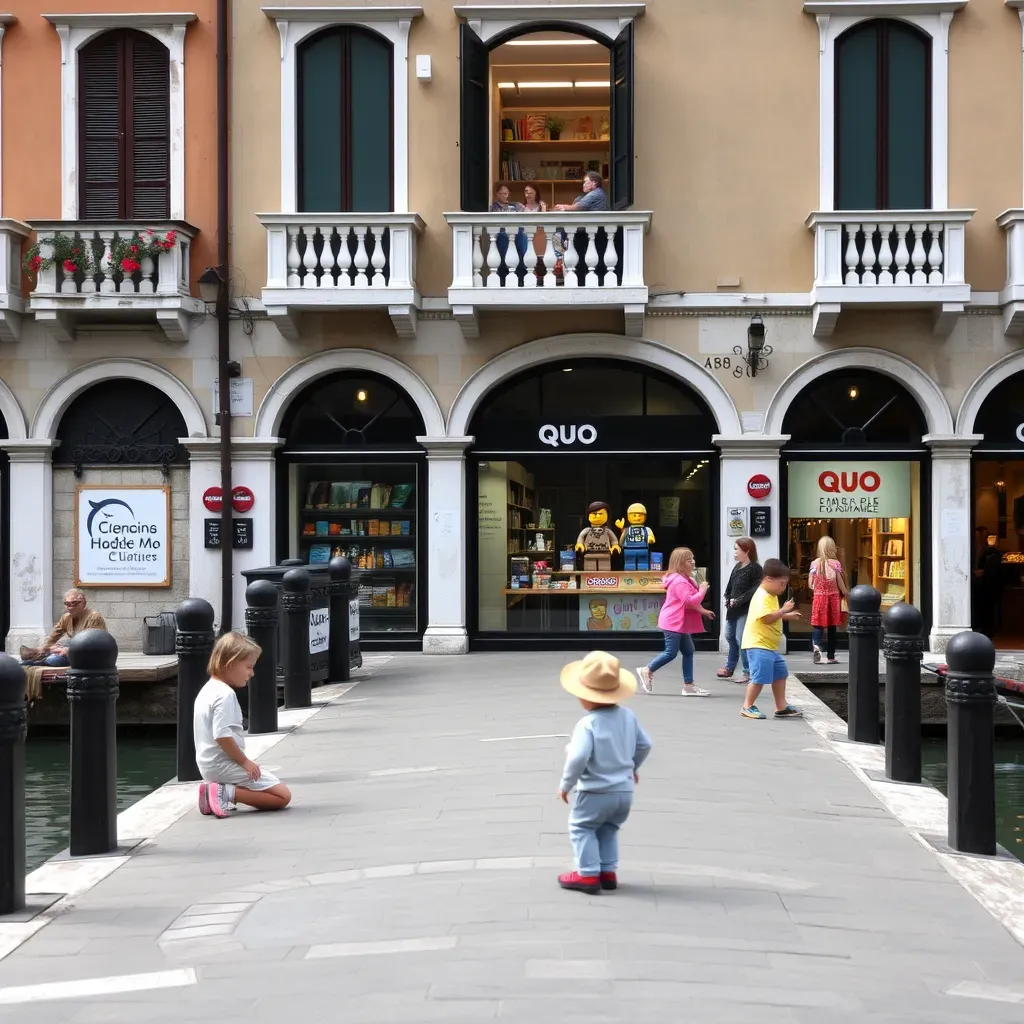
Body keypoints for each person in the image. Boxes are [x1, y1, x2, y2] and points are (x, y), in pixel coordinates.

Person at [557, 650, 652, 894]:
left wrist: (566, 784)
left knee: (582, 828)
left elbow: (578, 756)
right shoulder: (628, 716)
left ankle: (587, 874)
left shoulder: (587, 724)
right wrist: (633, 767)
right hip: (624, 791)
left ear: (586, 697)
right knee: (609, 829)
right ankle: (608, 871)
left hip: (596, 790)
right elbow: (645, 745)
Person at [194, 632, 292, 818]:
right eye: (248, 667)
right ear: (231, 663)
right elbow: (222, 736)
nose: (252, 673)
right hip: (222, 765)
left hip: (207, 765)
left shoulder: (206, 690)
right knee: (282, 796)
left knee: (264, 786)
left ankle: (213, 794)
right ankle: (225, 792)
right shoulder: (225, 695)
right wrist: (245, 762)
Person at [636, 547, 715, 697]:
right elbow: (689, 601)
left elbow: (687, 603)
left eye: (693, 558)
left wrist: (703, 611)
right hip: (673, 622)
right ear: (680, 563)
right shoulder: (679, 581)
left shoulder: (683, 579)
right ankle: (647, 670)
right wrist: (703, 590)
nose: (693, 562)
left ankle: (689, 686)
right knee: (671, 652)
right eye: (689, 560)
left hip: (679, 622)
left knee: (688, 651)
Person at [740, 558, 803, 720]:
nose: (783, 588)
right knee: (759, 677)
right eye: (781, 583)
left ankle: (781, 707)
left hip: (768, 646)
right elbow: (767, 618)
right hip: (759, 644)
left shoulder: (771, 594)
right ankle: (747, 705)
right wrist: (783, 611)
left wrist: (786, 615)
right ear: (768, 579)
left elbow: (773, 616)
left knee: (780, 673)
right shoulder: (762, 596)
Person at [21, 590, 106, 666]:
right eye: (66, 604)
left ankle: (42, 660)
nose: (68, 607)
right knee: (59, 647)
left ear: (83, 603)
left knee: (53, 660)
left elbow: (93, 643)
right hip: (74, 645)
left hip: (89, 651)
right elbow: (54, 636)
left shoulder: (94, 617)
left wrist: (68, 650)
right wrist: (45, 648)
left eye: (73, 603)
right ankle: (38, 654)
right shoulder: (66, 617)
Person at [717, 538, 762, 683]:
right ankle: (730, 667)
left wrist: (739, 600)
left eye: (737, 549)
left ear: (746, 550)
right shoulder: (737, 567)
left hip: (745, 609)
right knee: (729, 636)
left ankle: (747, 671)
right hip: (733, 608)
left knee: (741, 638)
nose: (735, 552)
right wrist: (727, 597)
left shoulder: (755, 568)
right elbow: (730, 585)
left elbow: (755, 589)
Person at [809, 536, 848, 664]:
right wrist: (846, 592)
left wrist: (819, 589)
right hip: (833, 598)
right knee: (832, 628)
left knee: (818, 626)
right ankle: (831, 656)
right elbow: (840, 583)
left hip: (819, 598)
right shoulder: (835, 564)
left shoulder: (814, 564)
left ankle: (816, 649)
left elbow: (811, 584)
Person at [973, 526, 1003, 637]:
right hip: (974, 587)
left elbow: (995, 570)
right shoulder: (971, 551)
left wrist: (984, 572)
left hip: (987, 587)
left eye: (984, 536)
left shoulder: (992, 553)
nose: (981, 539)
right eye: (979, 536)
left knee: (987, 611)